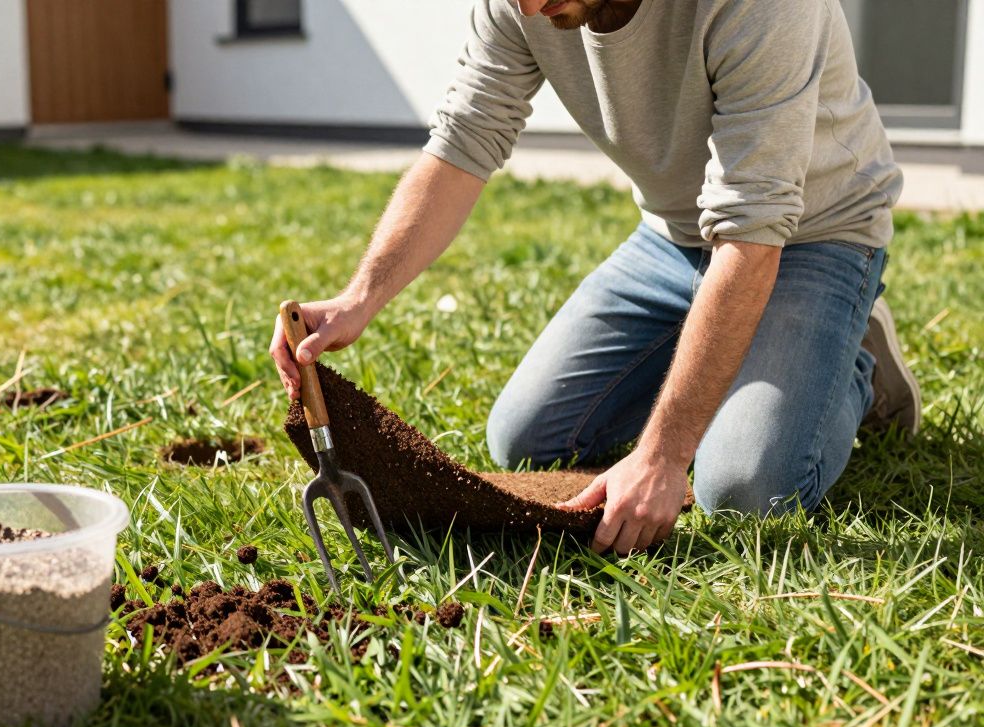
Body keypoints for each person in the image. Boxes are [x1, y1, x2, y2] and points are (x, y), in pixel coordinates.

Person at [268, 0, 920, 555]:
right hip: (674, 239)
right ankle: (744, 350)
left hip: (815, 233)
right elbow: (465, 138)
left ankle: (850, 354)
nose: (523, 7)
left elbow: (753, 232)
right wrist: (359, 298)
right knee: (525, 439)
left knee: (744, 490)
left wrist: (664, 457)